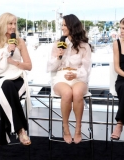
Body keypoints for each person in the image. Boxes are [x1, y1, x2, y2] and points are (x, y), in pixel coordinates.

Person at [0, 12, 32, 145]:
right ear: (2, 24)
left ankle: (6, 133)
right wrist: (6, 52)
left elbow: (29, 66)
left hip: (17, 77)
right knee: (5, 86)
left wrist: (14, 62)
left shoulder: (20, 41)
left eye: (14, 23)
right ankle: (21, 130)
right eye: (10, 23)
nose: (13, 27)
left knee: (6, 89)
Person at [47, 14, 92, 144]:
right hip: (61, 76)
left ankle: (78, 129)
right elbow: (50, 67)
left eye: (64, 25)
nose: (62, 28)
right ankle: (66, 128)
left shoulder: (85, 46)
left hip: (79, 77)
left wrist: (76, 75)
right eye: (62, 25)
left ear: (72, 26)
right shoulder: (57, 44)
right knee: (67, 93)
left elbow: (87, 68)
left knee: (77, 93)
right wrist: (58, 57)